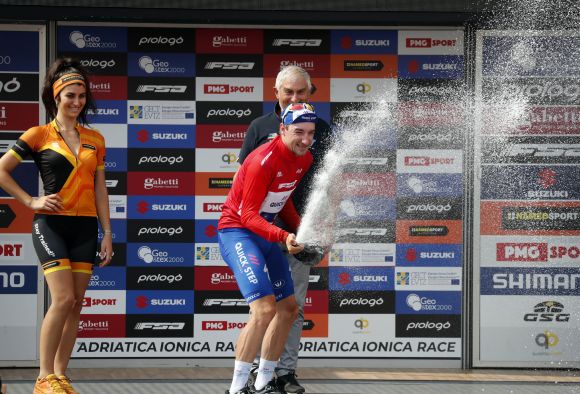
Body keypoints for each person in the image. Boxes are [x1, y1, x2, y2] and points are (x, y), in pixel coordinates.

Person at [0, 58, 113, 394]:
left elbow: (100, 188)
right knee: (62, 299)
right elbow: (2, 171)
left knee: (77, 302)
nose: (76, 102)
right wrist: (31, 201)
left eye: (81, 96)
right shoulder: (39, 134)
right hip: (50, 225)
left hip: (86, 227)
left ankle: (60, 376)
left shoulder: (95, 138)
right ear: (56, 97)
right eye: (70, 96)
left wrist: (107, 233)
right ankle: (43, 376)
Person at [237, 66, 331, 394]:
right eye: (287, 92)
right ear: (276, 93)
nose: (293, 97)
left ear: (310, 93)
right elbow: (242, 182)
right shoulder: (259, 127)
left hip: (301, 229)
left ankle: (285, 373)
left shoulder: (321, 128)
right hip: (259, 232)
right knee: (262, 305)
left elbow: (331, 182)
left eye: (300, 92)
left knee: (293, 306)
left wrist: (324, 227)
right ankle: (251, 374)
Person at [219, 103, 318, 394]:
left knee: (288, 308)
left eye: (311, 133)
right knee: (263, 310)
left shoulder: (305, 158)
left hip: (265, 233)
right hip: (238, 231)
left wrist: (301, 232)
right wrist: (283, 235)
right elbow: (247, 215)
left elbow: (282, 198)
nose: (305, 139)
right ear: (282, 129)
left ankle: (262, 383)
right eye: (298, 132)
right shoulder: (262, 159)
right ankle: (236, 390)